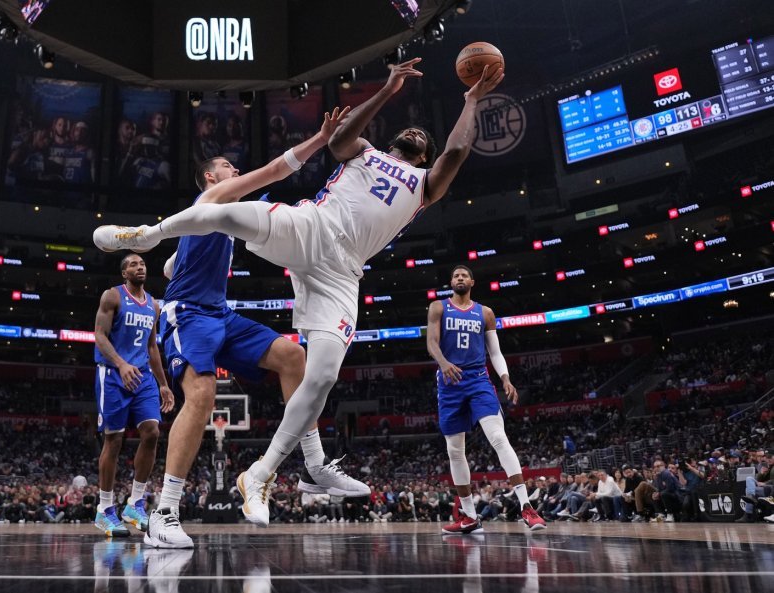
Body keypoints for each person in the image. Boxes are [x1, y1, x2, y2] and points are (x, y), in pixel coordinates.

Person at [93, 59, 503, 531]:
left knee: (317, 370)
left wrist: (471, 101)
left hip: (342, 274)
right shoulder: (365, 151)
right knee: (224, 213)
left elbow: (456, 150)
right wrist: (387, 90)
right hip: (312, 227)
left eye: (421, 139)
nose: (414, 135)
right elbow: (337, 139)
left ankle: (273, 472)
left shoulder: (426, 184)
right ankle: (147, 234)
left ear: (424, 155)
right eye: (406, 131)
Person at [108, 107, 364, 549]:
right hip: (188, 314)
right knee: (203, 395)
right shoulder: (211, 199)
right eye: (228, 167)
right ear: (211, 178)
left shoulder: (221, 217)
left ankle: (314, 463)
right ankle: (165, 512)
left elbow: (284, 218)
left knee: (293, 357)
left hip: (220, 314)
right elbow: (273, 170)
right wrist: (321, 139)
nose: (236, 170)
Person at [429, 265, 546, 534]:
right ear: (451, 282)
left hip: (478, 379)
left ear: (472, 281)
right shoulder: (438, 307)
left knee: (498, 437)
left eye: (463, 275)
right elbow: (432, 343)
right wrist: (444, 362)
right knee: (455, 451)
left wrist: (505, 378)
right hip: (449, 382)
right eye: (455, 275)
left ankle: (526, 507)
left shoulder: (485, 313)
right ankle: (469, 516)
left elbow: (495, 351)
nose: (459, 278)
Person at [93, 253, 174, 538]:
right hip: (113, 374)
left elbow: (153, 347)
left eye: (142, 263)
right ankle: (104, 510)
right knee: (114, 440)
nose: (140, 267)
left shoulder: (153, 304)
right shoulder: (112, 296)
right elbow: (99, 335)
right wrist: (121, 363)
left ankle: (134, 504)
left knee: (152, 432)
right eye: (133, 264)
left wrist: (163, 384)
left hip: (143, 377)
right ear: (124, 272)